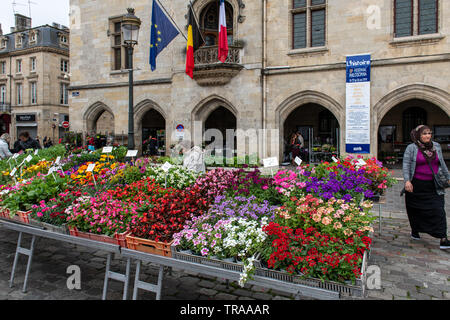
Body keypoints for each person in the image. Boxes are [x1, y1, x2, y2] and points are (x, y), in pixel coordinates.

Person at [402, 125, 450, 250]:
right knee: (415, 210)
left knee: (438, 209)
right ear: (418, 135)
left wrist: (448, 177)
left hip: (434, 184)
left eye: (429, 133)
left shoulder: (436, 146)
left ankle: (443, 238)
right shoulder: (411, 148)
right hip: (416, 185)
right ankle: (415, 230)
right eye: (424, 133)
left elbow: (442, 163)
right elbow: (406, 165)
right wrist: (407, 181)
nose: (427, 136)